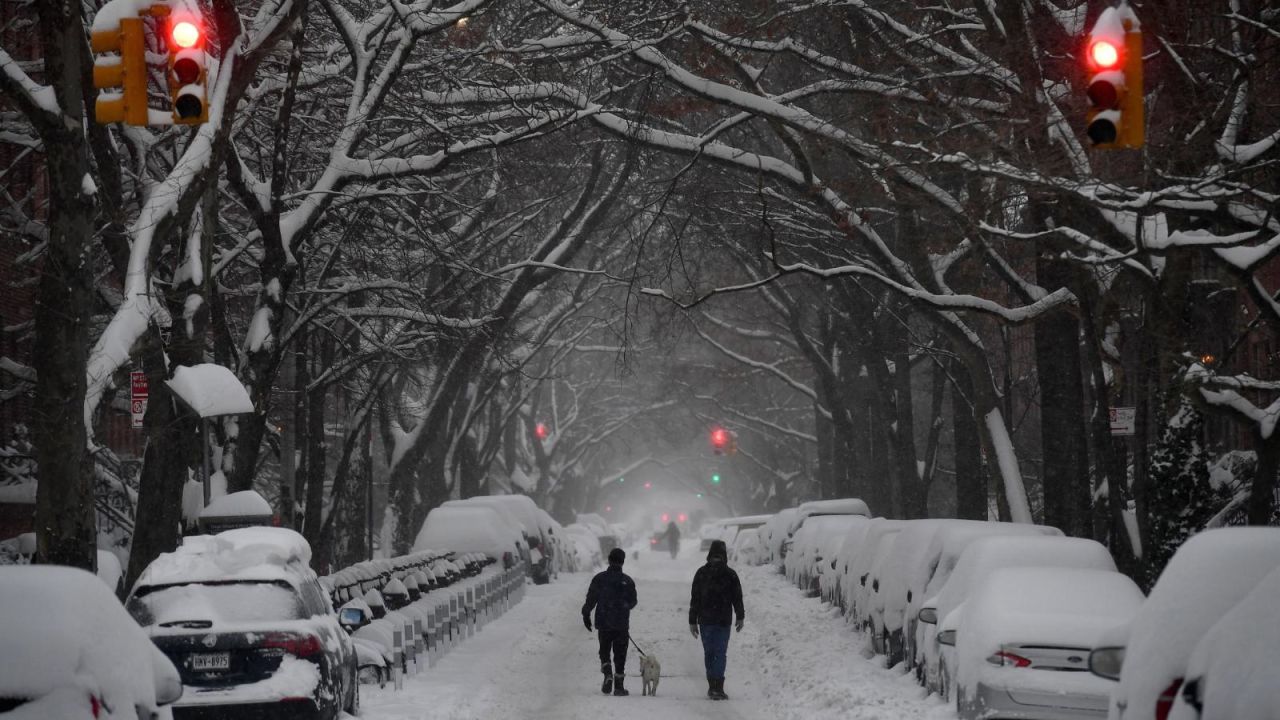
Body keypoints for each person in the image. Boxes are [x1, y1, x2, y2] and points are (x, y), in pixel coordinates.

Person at [689, 539, 744, 700]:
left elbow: (695, 599)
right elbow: (737, 598)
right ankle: (718, 687)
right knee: (720, 653)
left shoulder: (701, 573)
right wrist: (740, 616)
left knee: (709, 653)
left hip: (706, 620)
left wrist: (692, 620)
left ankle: (712, 685)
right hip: (723, 621)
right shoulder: (730, 574)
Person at [582, 547, 638, 696]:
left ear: (609, 560)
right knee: (620, 654)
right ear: (623, 562)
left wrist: (586, 613)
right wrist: (624, 606)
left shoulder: (600, 579)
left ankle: (607, 672)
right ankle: (619, 686)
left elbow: (591, 598)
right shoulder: (627, 581)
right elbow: (633, 601)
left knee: (604, 651)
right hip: (621, 624)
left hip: (604, 621)